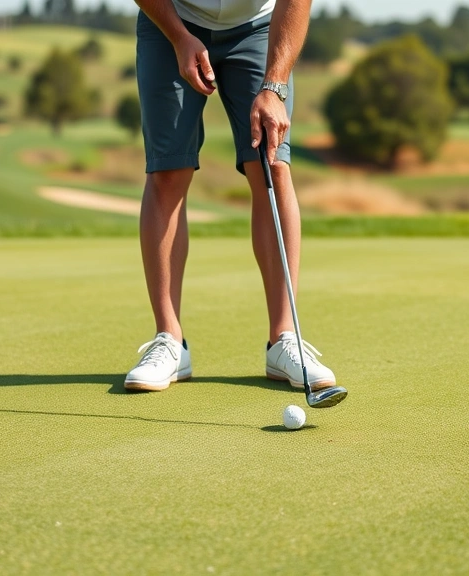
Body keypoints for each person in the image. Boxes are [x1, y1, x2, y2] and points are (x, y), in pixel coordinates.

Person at [125, 0, 337, 393]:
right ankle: (170, 341)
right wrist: (179, 37)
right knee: (169, 171)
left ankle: (283, 339)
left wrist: (274, 85)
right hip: (170, 19)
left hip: (259, 28)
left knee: (271, 165)